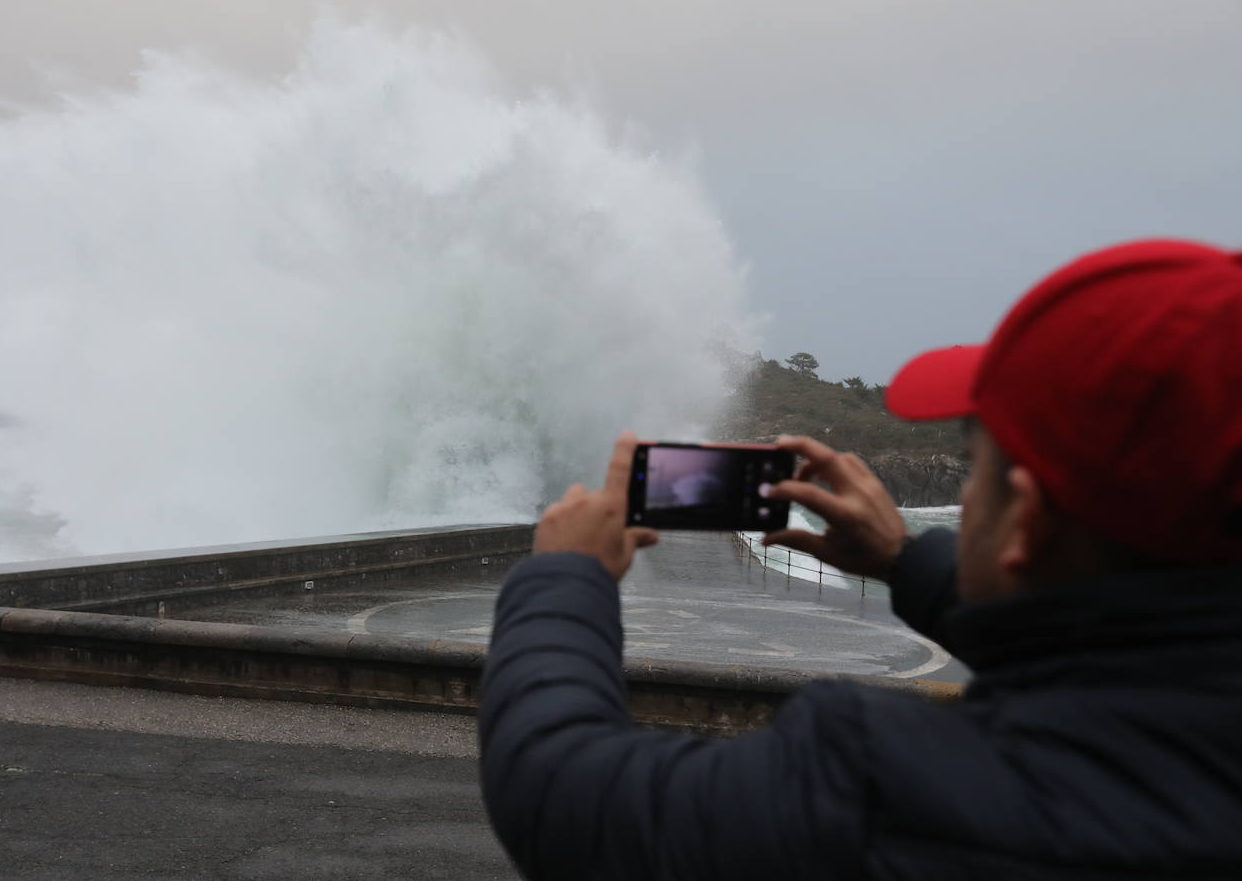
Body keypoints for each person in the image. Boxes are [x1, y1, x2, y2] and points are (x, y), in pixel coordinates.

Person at [478, 239, 1242, 879]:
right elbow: (1128, 646)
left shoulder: (884, 791)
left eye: (977, 468)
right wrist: (906, 561)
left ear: (1028, 524)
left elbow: (566, 796)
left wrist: (565, 577)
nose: (968, 494)